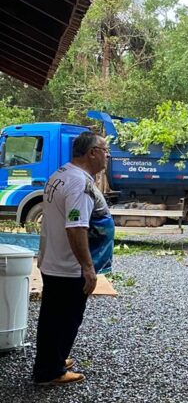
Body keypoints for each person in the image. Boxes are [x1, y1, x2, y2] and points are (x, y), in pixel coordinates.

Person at [33, 132, 112, 385]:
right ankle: (50, 372)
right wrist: (88, 268)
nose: (107, 155)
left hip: (52, 259)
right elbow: (76, 227)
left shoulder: (61, 174)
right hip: (67, 265)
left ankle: (53, 358)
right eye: (104, 150)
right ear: (92, 153)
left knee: (52, 316)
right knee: (66, 318)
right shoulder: (79, 183)